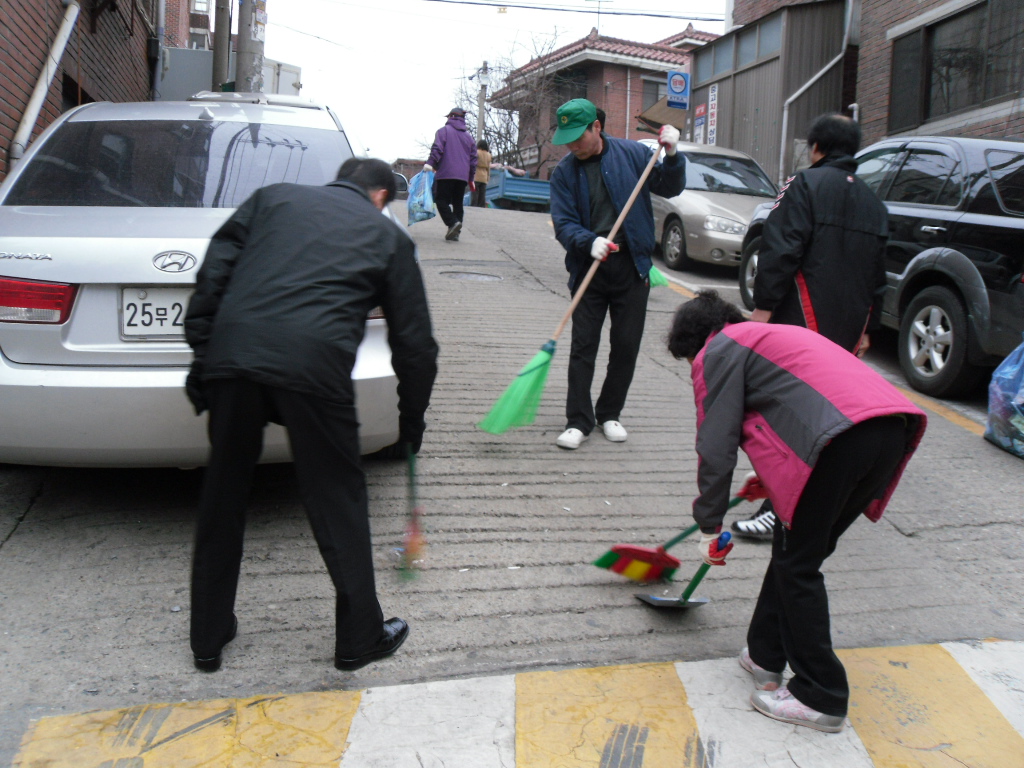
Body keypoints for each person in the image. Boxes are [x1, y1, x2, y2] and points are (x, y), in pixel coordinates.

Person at [183, 158, 439, 673]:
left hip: (235, 359)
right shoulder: (388, 238)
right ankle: (358, 638)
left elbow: (211, 280)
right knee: (336, 499)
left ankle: (207, 638)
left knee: (223, 495)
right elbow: (415, 346)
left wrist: (205, 360)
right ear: (380, 197)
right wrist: (411, 423)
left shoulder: (272, 199)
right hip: (315, 368)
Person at [667, 290, 926, 733]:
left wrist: (708, 522)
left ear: (696, 341)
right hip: (888, 431)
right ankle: (765, 655)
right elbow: (801, 404)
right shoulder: (772, 335)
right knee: (796, 554)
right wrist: (769, 477)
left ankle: (821, 694)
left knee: (799, 566)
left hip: (840, 442)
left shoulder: (720, 349)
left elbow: (716, 443)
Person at [734, 113, 889, 541]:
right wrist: (867, 327)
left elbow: (780, 248)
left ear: (816, 148)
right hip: (844, 330)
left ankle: (777, 509)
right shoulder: (875, 203)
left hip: (801, 324)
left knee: (790, 417)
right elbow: (879, 274)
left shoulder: (803, 185)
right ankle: (803, 500)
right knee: (826, 416)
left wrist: (763, 309)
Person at [549, 98, 685, 450]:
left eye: (578, 136)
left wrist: (672, 155)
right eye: (567, 139)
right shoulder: (564, 172)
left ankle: (610, 413)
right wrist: (587, 240)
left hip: (632, 268)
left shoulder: (634, 155)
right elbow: (563, 224)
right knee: (583, 346)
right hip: (589, 269)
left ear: (597, 126)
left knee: (625, 347)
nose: (573, 145)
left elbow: (670, 186)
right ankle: (578, 420)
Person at [425, 107, 477, 241]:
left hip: (446, 173)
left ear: (451, 117)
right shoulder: (469, 138)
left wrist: (431, 163)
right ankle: (455, 234)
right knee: (458, 203)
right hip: (462, 177)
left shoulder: (444, 132)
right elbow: (473, 161)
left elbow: (437, 149)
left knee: (441, 200)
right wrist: (470, 179)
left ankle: (453, 224)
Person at [472, 139, 492, 208]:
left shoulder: (477, 152)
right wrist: (488, 177)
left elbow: (472, 163)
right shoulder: (489, 155)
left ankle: (474, 205)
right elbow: (488, 168)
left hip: (476, 175)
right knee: (482, 194)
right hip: (484, 176)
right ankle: (481, 206)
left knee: (475, 192)